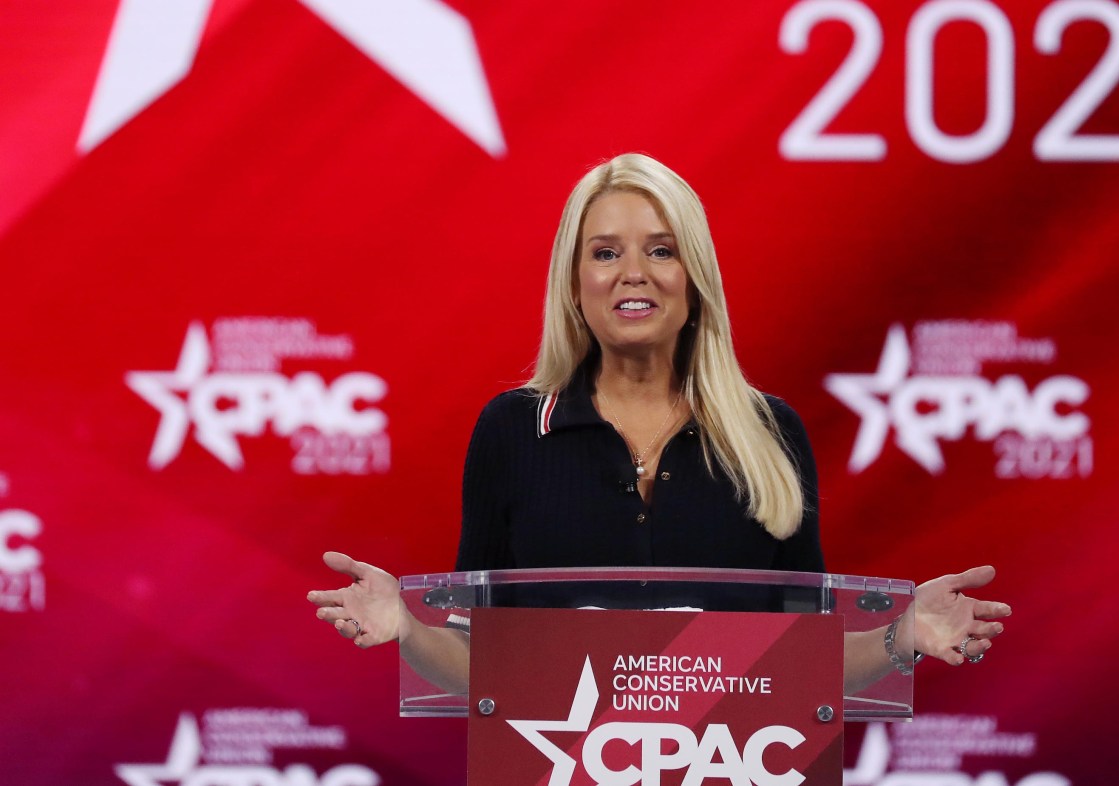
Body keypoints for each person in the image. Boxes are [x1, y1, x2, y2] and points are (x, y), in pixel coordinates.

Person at [308, 153, 1011, 696]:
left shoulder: (772, 434)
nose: (632, 273)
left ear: (694, 275)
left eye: (662, 249)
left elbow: (804, 666)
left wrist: (902, 635)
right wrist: (406, 628)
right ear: (574, 282)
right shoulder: (513, 432)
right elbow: (474, 660)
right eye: (606, 252)